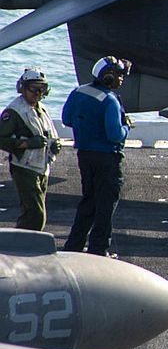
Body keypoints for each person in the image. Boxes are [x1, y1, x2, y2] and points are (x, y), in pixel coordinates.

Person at [61, 56, 132, 255]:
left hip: (85, 155)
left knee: (88, 201)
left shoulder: (78, 92)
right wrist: (126, 127)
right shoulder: (110, 100)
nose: (121, 79)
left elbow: (67, 119)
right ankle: (98, 250)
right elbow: (115, 135)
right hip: (107, 158)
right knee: (105, 205)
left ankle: (73, 246)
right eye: (119, 75)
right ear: (108, 77)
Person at [0, 68, 62, 230]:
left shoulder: (42, 109)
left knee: (32, 213)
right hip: (24, 167)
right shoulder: (14, 112)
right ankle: (23, 242)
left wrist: (55, 144)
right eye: (33, 88)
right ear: (23, 88)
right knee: (36, 215)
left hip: (42, 166)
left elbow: (49, 133)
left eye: (41, 88)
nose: (37, 93)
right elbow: (2, 139)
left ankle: (21, 241)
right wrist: (27, 144)